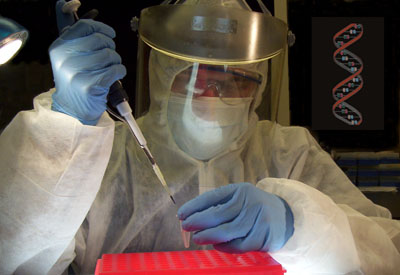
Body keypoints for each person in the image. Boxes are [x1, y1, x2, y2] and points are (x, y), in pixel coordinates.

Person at [0, 0, 399, 274]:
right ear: (160, 79)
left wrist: (302, 226)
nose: (215, 97)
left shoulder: (289, 154)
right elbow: (15, 261)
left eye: (235, 83)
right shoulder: (100, 158)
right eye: (195, 82)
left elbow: (387, 253)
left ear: (258, 91)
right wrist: (60, 138)